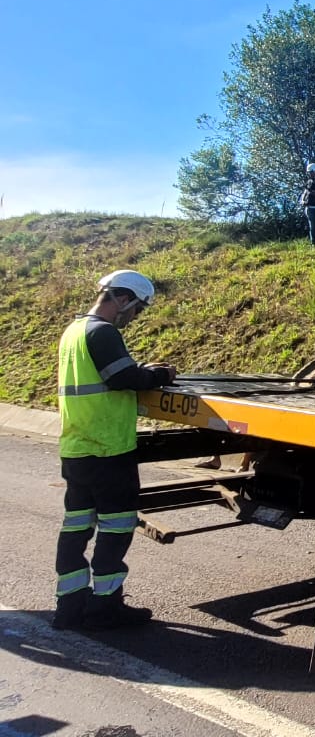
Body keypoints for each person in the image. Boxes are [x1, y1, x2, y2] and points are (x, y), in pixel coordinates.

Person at [53, 270, 177, 631]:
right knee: (115, 527)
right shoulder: (103, 332)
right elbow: (122, 377)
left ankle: (69, 607)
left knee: (76, 528)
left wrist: (142, 370)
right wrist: (159, 375)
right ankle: (105, 606)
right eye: (136, 309)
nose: (134, 317)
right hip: (108, 450)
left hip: (77, 447)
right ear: (122, 299)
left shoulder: (74, 331)